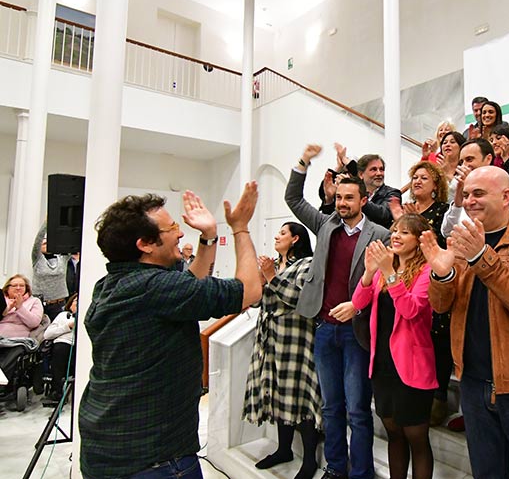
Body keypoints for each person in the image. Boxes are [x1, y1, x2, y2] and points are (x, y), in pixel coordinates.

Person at [79, 183, 262, 479]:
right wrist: (240, 228)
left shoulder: (115, 283)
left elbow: (188, 286)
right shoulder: (157, 287)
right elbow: (250, 291)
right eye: (172, 228)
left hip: (108, 447)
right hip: (155, 459)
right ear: (145, 244)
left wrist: (209, 237)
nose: (179, 233)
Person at [421, 166, 509, 478]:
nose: (469, 201)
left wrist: (481, 257)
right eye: (467, 194)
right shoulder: (462, 240)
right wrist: (442, 274)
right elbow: (441, 306)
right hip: (473, 382)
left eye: (479, 193)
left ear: (506, 196)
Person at [284, 144, 391, 479]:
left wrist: (360, 304)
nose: (343, 203)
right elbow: (294, 199)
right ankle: (335, 468)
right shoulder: (326, 225)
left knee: (358, 410)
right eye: (339, 198)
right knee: (331, 408)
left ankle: (361, 472)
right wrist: (303, 162)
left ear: (363, 201)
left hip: (358, 332)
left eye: (350, 198)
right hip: (324, 329)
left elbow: (386, 284)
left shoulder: (381, 236)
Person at [352, 214, 436, 479]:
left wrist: (389, 272)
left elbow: (410, 310)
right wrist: (368, 272)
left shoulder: (427, 272)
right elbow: (359, 302)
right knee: (394, 435)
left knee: (416, 438)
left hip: (412, 367)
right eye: (395, 231)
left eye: (405, 232)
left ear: (419, 240)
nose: (396, 236)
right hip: (382, 365)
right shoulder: (387, 268)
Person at [242, 222, 322, 478]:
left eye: (283, 233)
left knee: (300, 397)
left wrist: (271, 278)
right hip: (270, 339)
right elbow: (257, 300)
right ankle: (284, 449)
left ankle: (310, 460)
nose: (277, 236)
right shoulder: (275, 266)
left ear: (296, 239)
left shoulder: (306, 264)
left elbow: (300, 299)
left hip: (296, 341)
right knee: (277, 393)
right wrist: (259, 278)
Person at [321, 152, 402, 230]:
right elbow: (329, 221)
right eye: (374, 169)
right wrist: (329, 199)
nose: (379, 173)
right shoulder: (348, 193)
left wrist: (357, 195)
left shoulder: (393, 193)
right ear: (361, 174)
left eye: (381, 169)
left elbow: (383, 215)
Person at [0, 274, 44, 381]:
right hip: (1, 337)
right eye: (14, 285)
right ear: (8, 288)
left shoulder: (34, 302)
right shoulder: (2, 301)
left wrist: (20, 308)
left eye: (22, 285)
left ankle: (3, 382)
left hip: (18, 340)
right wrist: (6, 309)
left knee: (14, 353)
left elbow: (34, 322)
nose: (18, 288)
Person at [42, 292, 78, 406]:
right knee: (60, 348)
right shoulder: (63, 316)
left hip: (79, 346)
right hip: (62, 344)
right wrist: (68, 326)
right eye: (76, 302)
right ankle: (57, 391)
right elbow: (47, 334)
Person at [32, 223, 70, 321]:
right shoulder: (37, 259)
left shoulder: (63, 258)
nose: (48, 245)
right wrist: (47, 222)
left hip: (59, 304)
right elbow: (38, 240)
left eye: (50, 243)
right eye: (45, 244)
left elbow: (69, 242)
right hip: (40, 303)